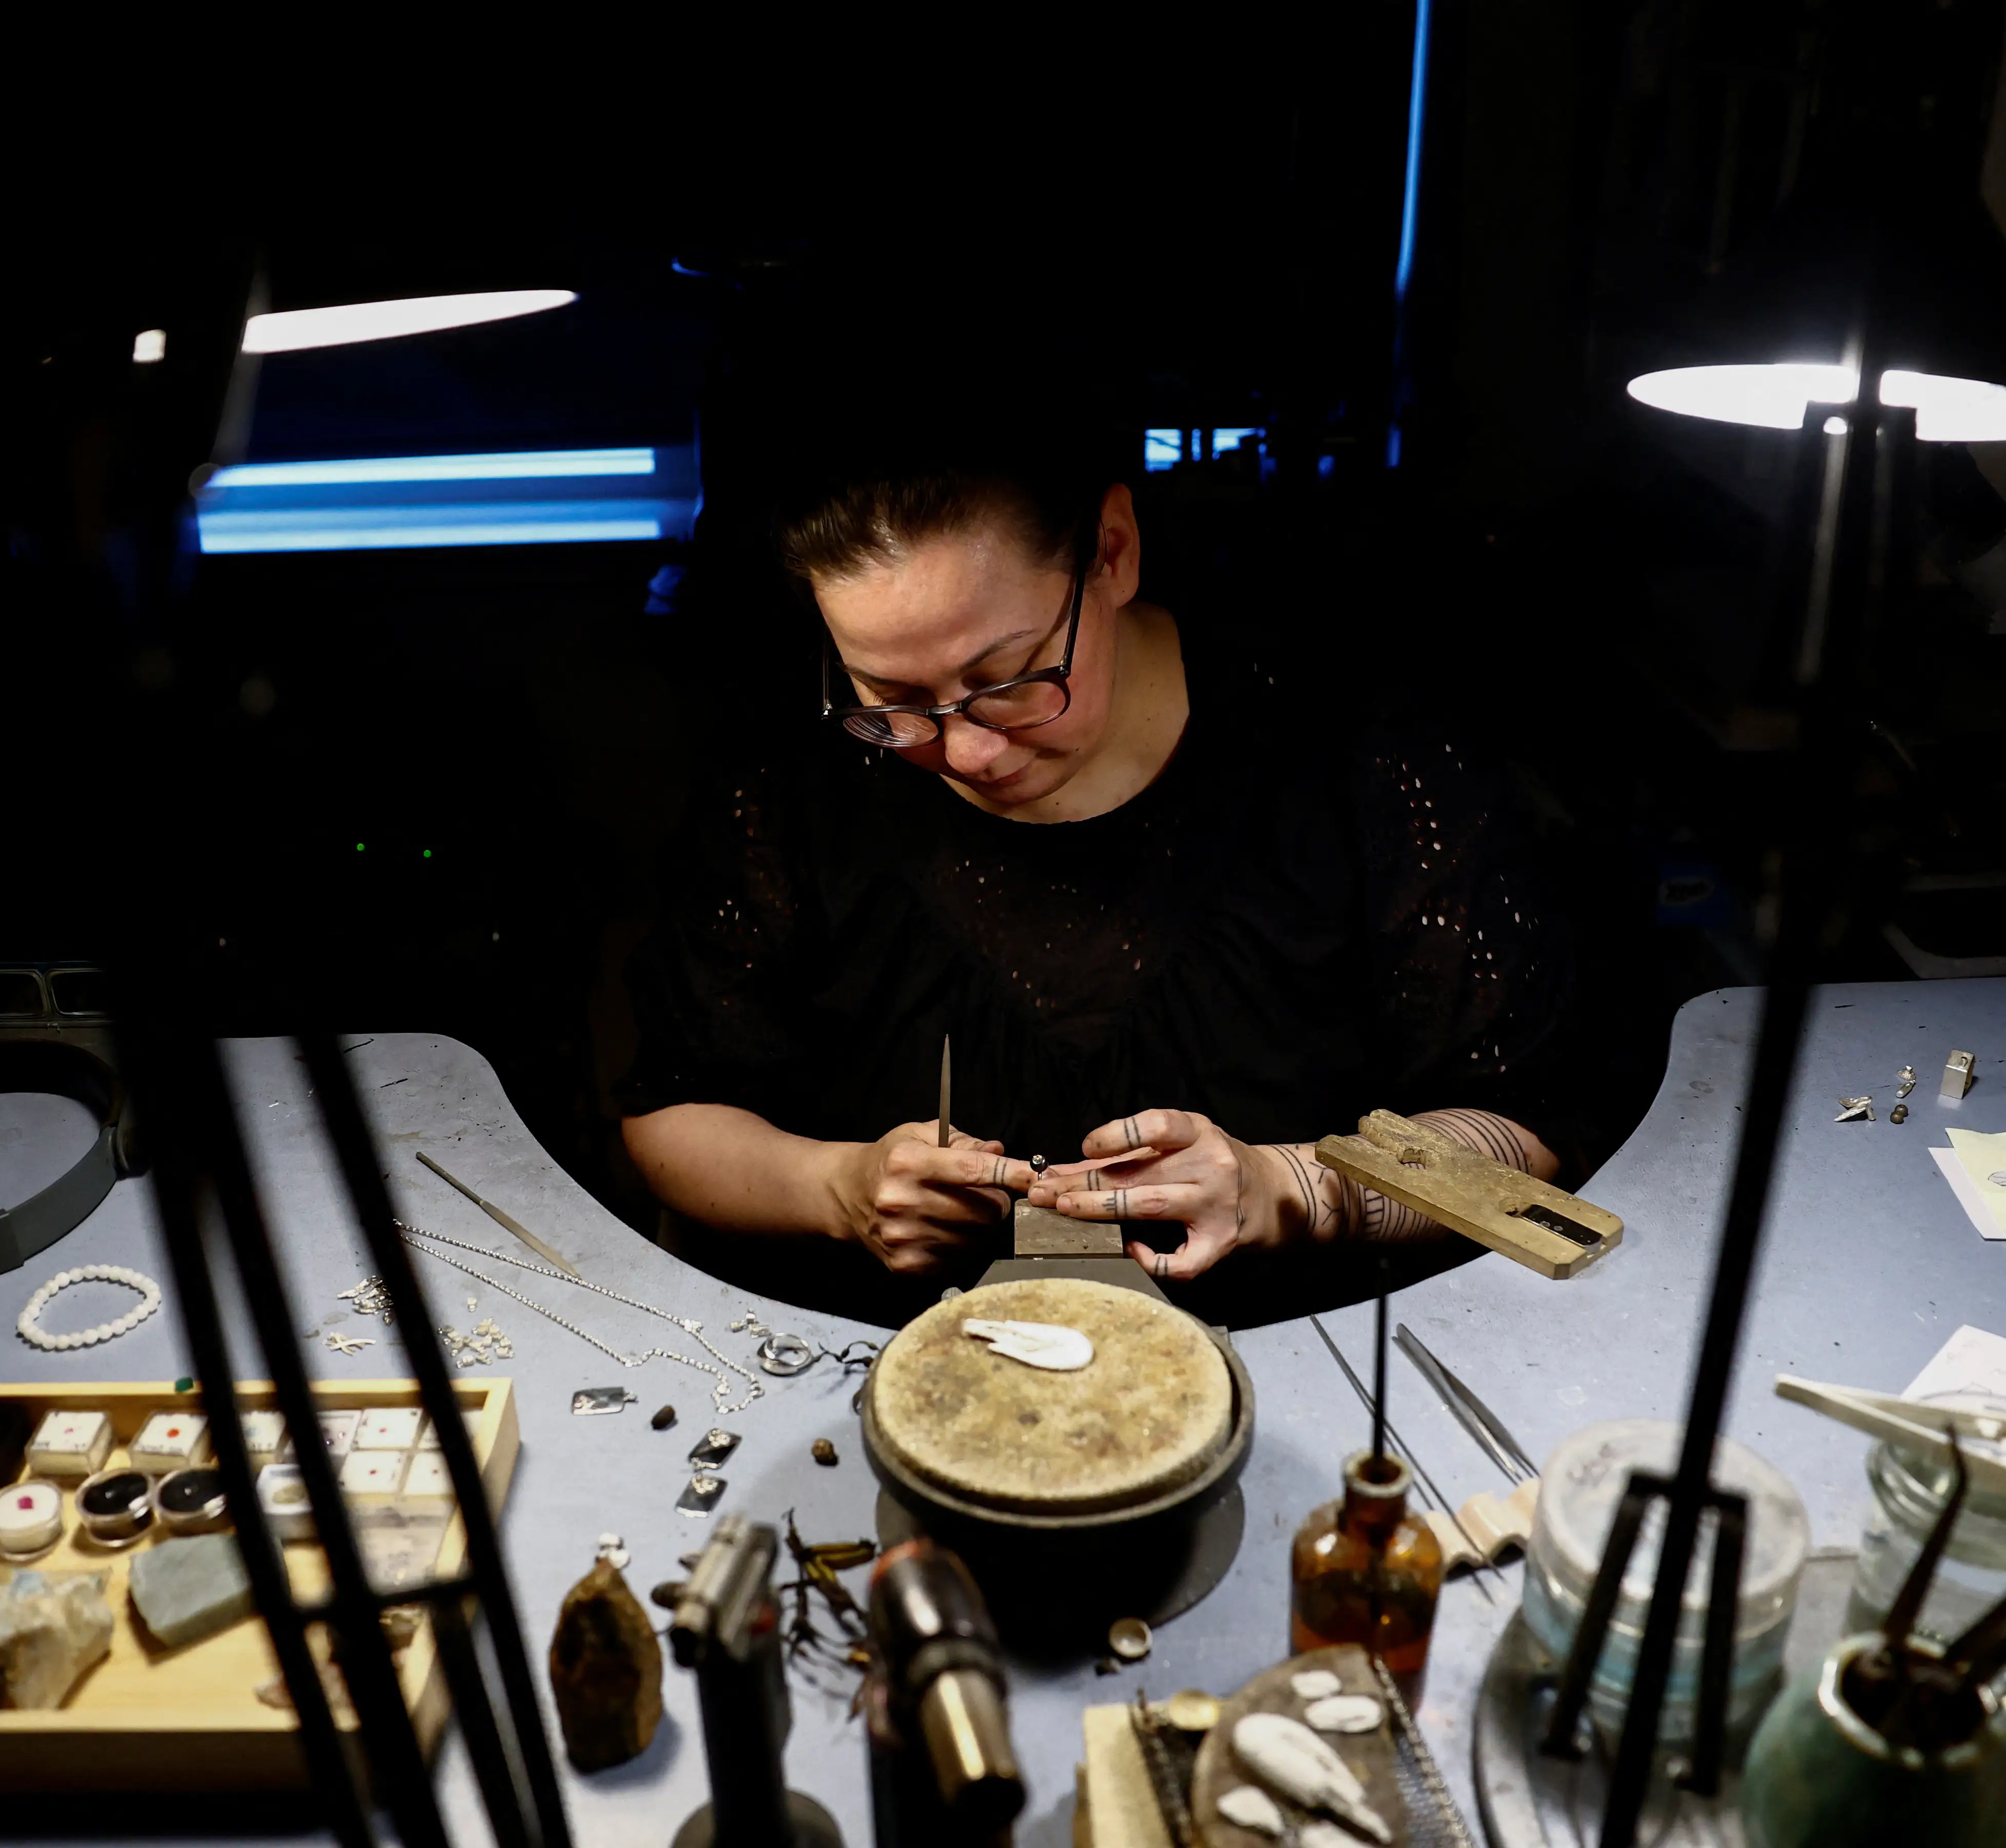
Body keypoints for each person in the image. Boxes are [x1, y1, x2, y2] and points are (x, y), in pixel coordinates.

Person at [615, 369, 1578, 1323]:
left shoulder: (1356, 756)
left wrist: (1289, 1189)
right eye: (895, 703)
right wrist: (838, 1188)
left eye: (1010, 678)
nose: (966, 751)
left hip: (1291, 1385)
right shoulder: (792, 785)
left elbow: (1525, 1147)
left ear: (1112, 552)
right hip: (886, 1387)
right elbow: (669, 1119)